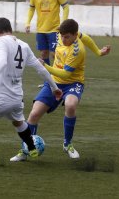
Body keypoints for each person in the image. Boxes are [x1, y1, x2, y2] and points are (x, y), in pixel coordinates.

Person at [10, 19, 111, 161]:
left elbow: (65, 74)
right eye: (62, 36)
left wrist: (45, 66)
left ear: (75, 35)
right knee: (34, 113)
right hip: (54, 82)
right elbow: (86, 37)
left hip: (73, 82)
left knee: (70, 104)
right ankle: (26, 149)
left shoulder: (77, 51)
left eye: (67, 37)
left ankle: (67, 144)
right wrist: (99, 52)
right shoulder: (61, 35)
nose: (63, 39)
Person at [0, 17, 62, 166]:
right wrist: (55, 88)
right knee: (18, 122)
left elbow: (2, 61)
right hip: (17, 98)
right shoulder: (23, 45)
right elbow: (41, 69)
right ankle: (32, 148)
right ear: (10, 29)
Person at [25, 0, 69, 66]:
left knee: (55, 54)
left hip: (54, 29)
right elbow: (31, 8)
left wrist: (63, 23)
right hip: (40, 30)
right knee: (43, 54)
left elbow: (66, 7)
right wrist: (28, 23)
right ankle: (48, 79)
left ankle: (59, 77)